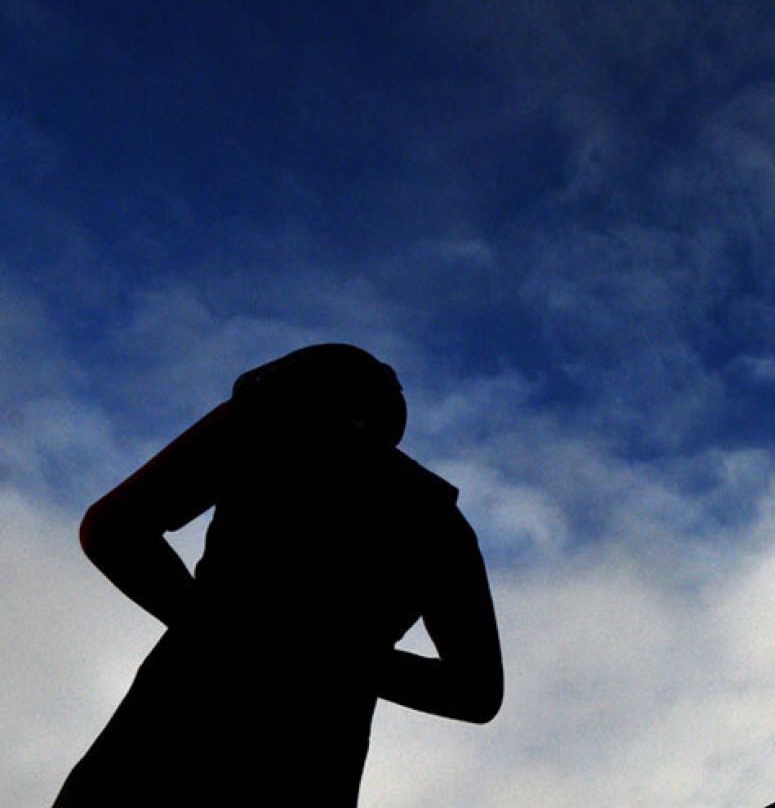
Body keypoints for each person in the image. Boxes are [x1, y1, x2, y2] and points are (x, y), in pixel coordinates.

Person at [54, 344, 503, 807]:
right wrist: (333, 659)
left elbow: (110, 528)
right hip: (308, 763)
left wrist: (220, 629)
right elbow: (475, 692)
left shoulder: (263, 427)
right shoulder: (440, 521)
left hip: (169, 737)